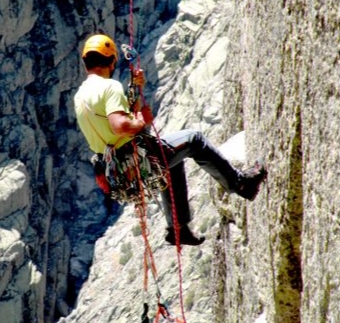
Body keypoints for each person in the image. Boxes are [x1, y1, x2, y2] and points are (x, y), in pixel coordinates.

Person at [74, 33, 267, 246]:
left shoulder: (81, 96)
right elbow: (121, 126)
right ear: (111, 61)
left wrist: (136, 90)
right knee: (194, 140)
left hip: (118, 168)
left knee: (172, 163)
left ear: (85, 64)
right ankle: (240, 184)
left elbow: (109, 122)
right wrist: (141, 120)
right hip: (136, 158)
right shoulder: (109, 87)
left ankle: (178, 229)